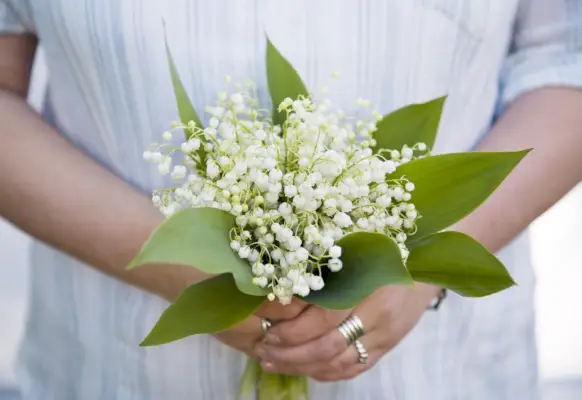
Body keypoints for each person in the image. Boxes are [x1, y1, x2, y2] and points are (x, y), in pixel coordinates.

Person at [1, 0, 581, 399]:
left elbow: (565, 63)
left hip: (444, 371)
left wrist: (414, 274)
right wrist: (187, 270)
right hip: (110, 366)